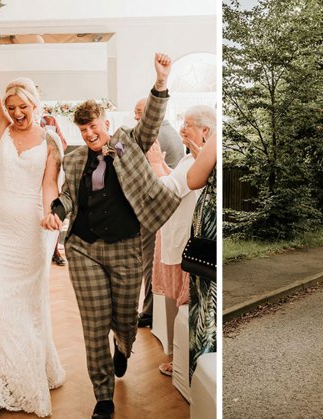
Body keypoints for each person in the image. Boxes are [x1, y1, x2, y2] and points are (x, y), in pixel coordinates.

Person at [41, 53, 180, 419]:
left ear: (106, 123)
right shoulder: (73, 161)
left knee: (125, 319)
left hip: (125, 247)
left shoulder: (127, 143)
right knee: (93, 323)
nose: (89, 134)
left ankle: (124, 345)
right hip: (84, 248)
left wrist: (160, 81)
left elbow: (150, 120)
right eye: (83, 129)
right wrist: (57, 210)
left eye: (94, 127)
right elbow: (70, 196)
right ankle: (103, 396)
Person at [0, 13, 65, 416]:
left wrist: (48, 214)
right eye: (11, 107)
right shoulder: (0, 127)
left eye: (22, 106)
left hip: (28, 229)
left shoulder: (51, 139)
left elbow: (49, 184)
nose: (17, 112)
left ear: (35, 105)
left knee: (23, 302)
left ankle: (28, 368)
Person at [146, 105, 216, 376]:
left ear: (204, 131)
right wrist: (161, 164)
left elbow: (171, 187)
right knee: (182, 302)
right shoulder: (193, 158)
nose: (182, 129)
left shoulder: (196, 160)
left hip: (184, 241)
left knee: (183, 303)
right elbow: (177, 177)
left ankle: (181, 361)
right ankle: (182, 358)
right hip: (178, 236)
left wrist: (153, 163)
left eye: (187, 125)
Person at [135, 96, 184, 328]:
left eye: (139, 112)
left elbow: (127, 158)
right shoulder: (171, 131)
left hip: (155, 207)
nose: (136, 117)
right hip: (168, 205)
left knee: (150, 260)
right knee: (154, 259)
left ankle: (148, 312)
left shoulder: (154, 135)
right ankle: (153, 311)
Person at [186, 130, 217, 382]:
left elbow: (193, 179)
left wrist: (200, 159)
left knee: (205, 295)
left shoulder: (217, 136)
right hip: (215, 224)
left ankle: (201, 372)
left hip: (210, 226)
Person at [38, 111, 67, 266]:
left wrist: (50, 139)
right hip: (31, 176)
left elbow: (63, 144)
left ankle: (55, 252)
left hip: (50, 173)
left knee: (52, 211)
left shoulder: (50, 120)